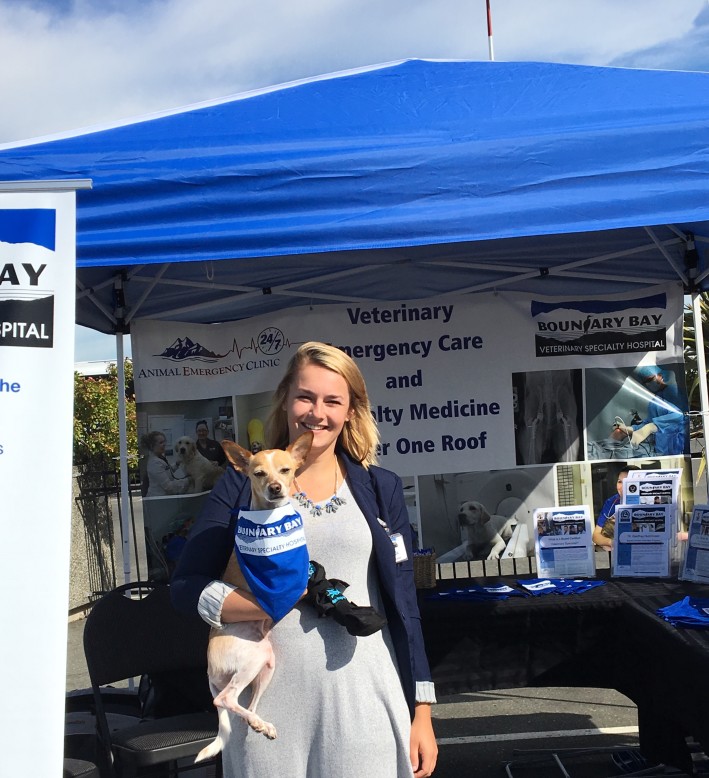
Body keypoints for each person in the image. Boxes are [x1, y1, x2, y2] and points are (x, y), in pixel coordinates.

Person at [171, 342, 438, 778]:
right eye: (305, 397)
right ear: (285, 400)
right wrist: (262, 603)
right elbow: (185, 588)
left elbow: (406, 606)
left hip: (364, 695)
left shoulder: (380, 488)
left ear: (351, 410)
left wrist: (422, 709)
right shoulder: (241, 486)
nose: (317, 412)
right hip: (269, 703)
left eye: (333, 400)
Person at [613, 366, 687, 456]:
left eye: (650, 379)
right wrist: (632, 428)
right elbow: (650, 421)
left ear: (660, 375)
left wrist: (652, 426)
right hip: (660, 446)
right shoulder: (656, 399)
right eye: (645, 382)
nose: (648, 383)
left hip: (676, 445)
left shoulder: (674, 392)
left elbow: (679, 416)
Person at [592, 467, 637, 549]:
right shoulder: (611, 502)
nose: (622, 487)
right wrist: (611, 542)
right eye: (620, 482)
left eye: (628, 482)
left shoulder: (650, 503)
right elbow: (596, 536)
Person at [141, 431, 190, 497]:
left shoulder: (160, 457)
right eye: (161, 443)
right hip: (158, 498)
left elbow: (167, 471)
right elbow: (168, 486)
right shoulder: (154, 463)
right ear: (152, 446)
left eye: (164, 442)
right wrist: (188, 481)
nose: (164, 444)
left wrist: (177, 464)